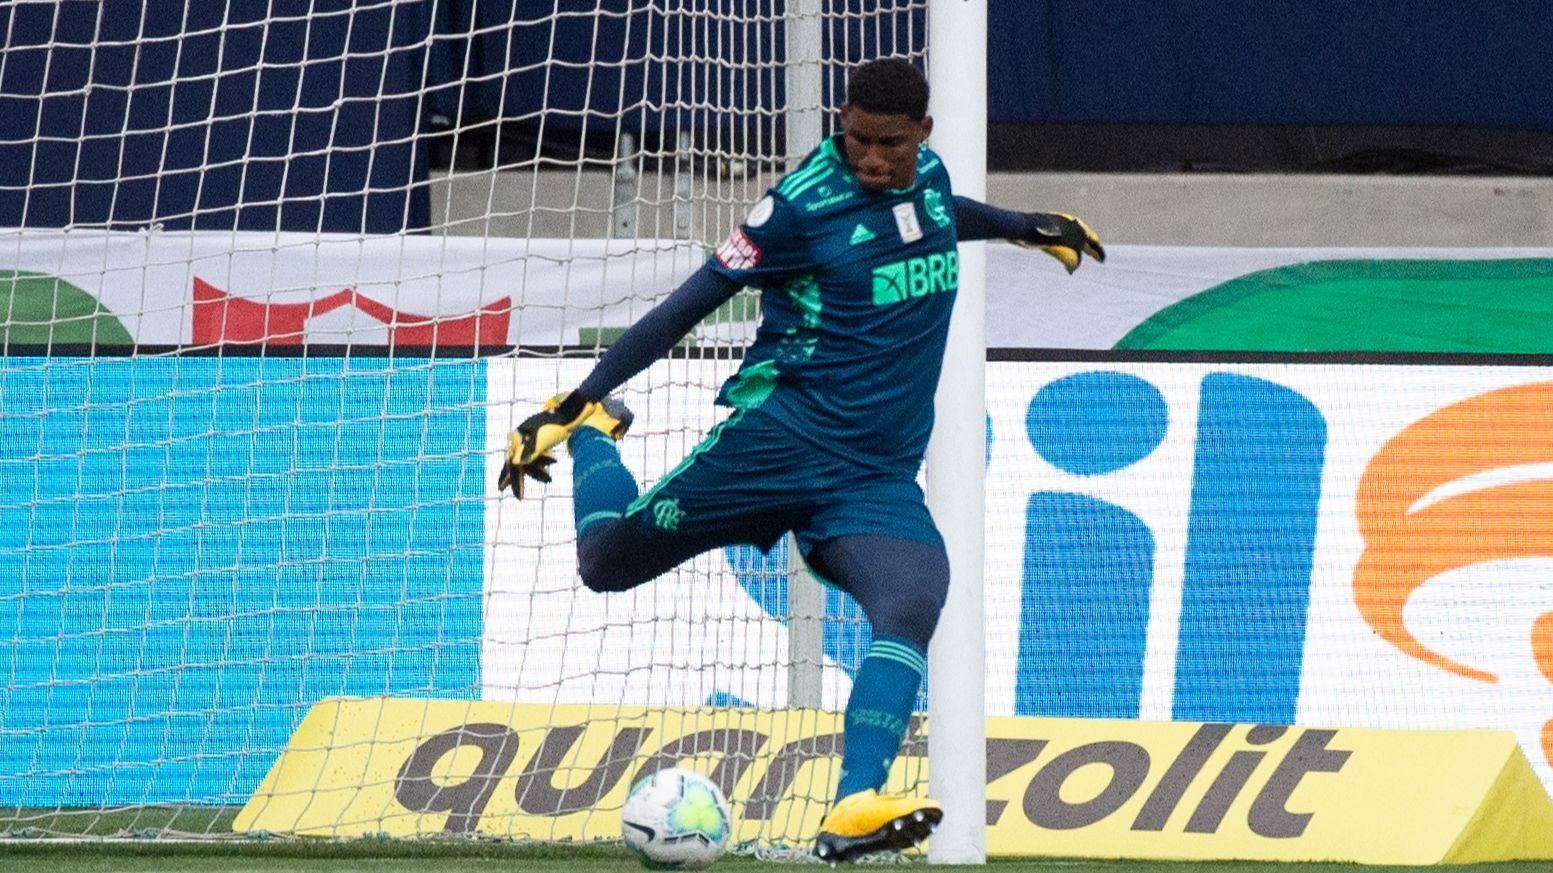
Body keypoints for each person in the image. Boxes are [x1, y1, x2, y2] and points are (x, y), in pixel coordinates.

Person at [498, 57, 1103, 864]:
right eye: (855, 139)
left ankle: (853, 802)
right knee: (605, 563)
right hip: (775, 444)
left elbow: (935, 212)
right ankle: (597, 437)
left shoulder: (926, 178)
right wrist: (578, 399)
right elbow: (689, 304)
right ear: (841, 121)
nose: (870, 159)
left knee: (914, 599)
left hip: (874, 476)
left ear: (922, 134)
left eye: (889, 144)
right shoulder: (795, 208)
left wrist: (1022, 223)